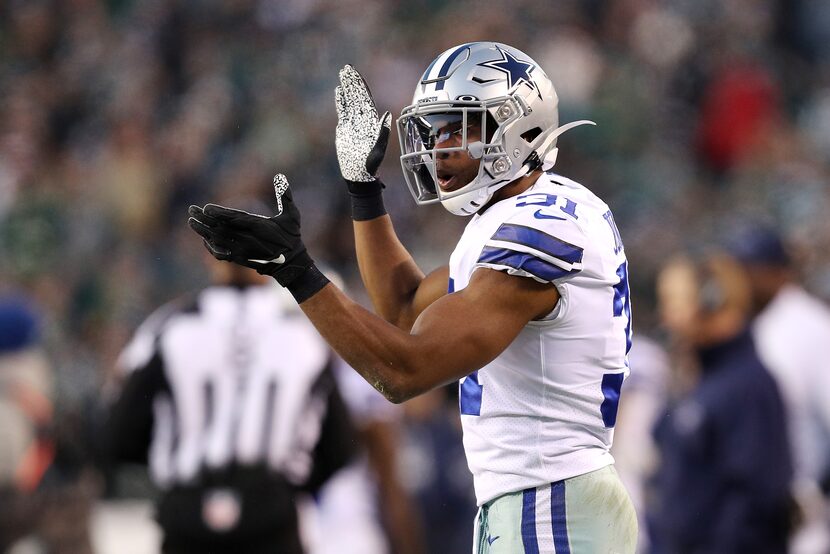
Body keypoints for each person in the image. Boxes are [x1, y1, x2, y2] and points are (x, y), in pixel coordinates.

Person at [189, 42, 638, 552]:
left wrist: (296, 274)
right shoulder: (525, 215)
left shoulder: (543, 226)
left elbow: (406, 370)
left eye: (461, 126)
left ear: (520, 127)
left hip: (552, 504)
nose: (441, 145)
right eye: (437, 128)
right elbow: (404, 312)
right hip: (537, 500)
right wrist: (362, 190)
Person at [102, 251, 358, 554]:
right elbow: (340, 446)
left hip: (188, 521)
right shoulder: (303, 334)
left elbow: (119, 435)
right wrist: (287, 488)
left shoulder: (168, 328)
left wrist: (177, 472)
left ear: (210, 256)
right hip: (272, 520)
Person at [651, 253, 793, 553]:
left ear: (710, 300)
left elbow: (755, 502)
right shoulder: (698, 379)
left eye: (673, 301)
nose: (666, 317)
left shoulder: (749, 386)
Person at [730, 226, 830, 553]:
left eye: (748, 269)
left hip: (803, 516)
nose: (739, 279)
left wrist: (818, 495)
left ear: (778, 272)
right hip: (753, 515)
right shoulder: (748, 326)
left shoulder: (812, 327)